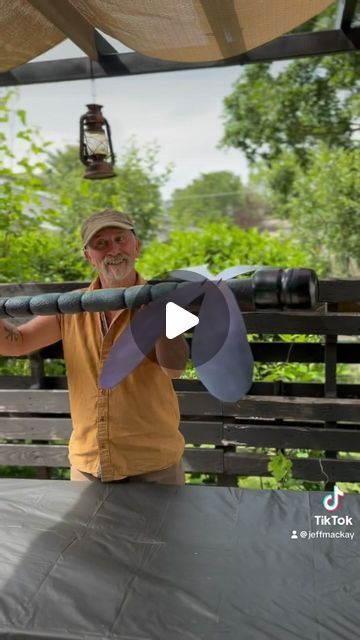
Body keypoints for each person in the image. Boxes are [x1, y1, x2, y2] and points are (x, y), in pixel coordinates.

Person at [0, 209, 189, 484]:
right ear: (89, 256)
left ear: (137, 246)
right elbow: (16, 343)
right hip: (89, 466)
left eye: (120, 239)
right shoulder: (69, 306)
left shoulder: (164, 300)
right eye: (100, 244)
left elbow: (176, 370)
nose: (113, 250)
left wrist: (158, 319)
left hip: (155, 466)